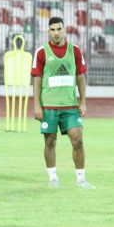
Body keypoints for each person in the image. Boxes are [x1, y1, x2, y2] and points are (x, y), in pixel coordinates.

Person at [31, 16, 94, 189]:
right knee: (50, 141)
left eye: (59, 29)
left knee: (78, 139)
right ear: (48, 31)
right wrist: (37, 105)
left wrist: (82, 102)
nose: (56, 33)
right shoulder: (41, 52)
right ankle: (53, 178)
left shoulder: (75, 51)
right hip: (49, 106)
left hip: (70, 106)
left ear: (64, 29)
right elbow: (36, 80)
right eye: (52, 29)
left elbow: (80, 77)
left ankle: (81, 179)